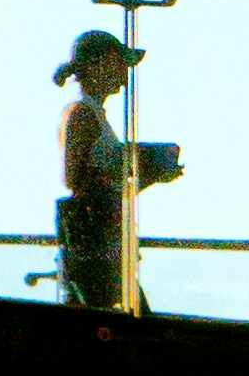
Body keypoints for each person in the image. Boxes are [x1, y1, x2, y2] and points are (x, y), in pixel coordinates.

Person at [51, 29, 181, 312]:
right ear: (100, 64)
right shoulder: (82, 115)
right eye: (118, 64)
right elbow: (76, 181)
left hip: (99, 243)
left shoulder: (91, 114)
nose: (124, 75)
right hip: (94, 245)